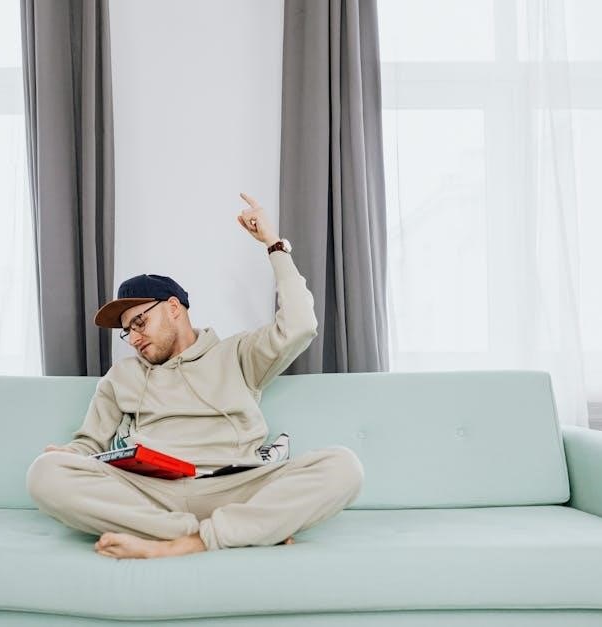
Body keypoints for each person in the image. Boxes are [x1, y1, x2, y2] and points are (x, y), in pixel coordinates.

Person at [26, 192, 364, 559]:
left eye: (140, 322)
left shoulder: (238, 354)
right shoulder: (121, 376)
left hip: (236, 486)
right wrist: (68, 455)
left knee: (343, 467)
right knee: (45, 473)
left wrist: (273, 244)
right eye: (126, 332)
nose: (133, 338)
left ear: (174, 308)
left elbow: (300, 325)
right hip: (152, 494)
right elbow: (89, 444)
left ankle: (191, 540)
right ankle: (225, 532)